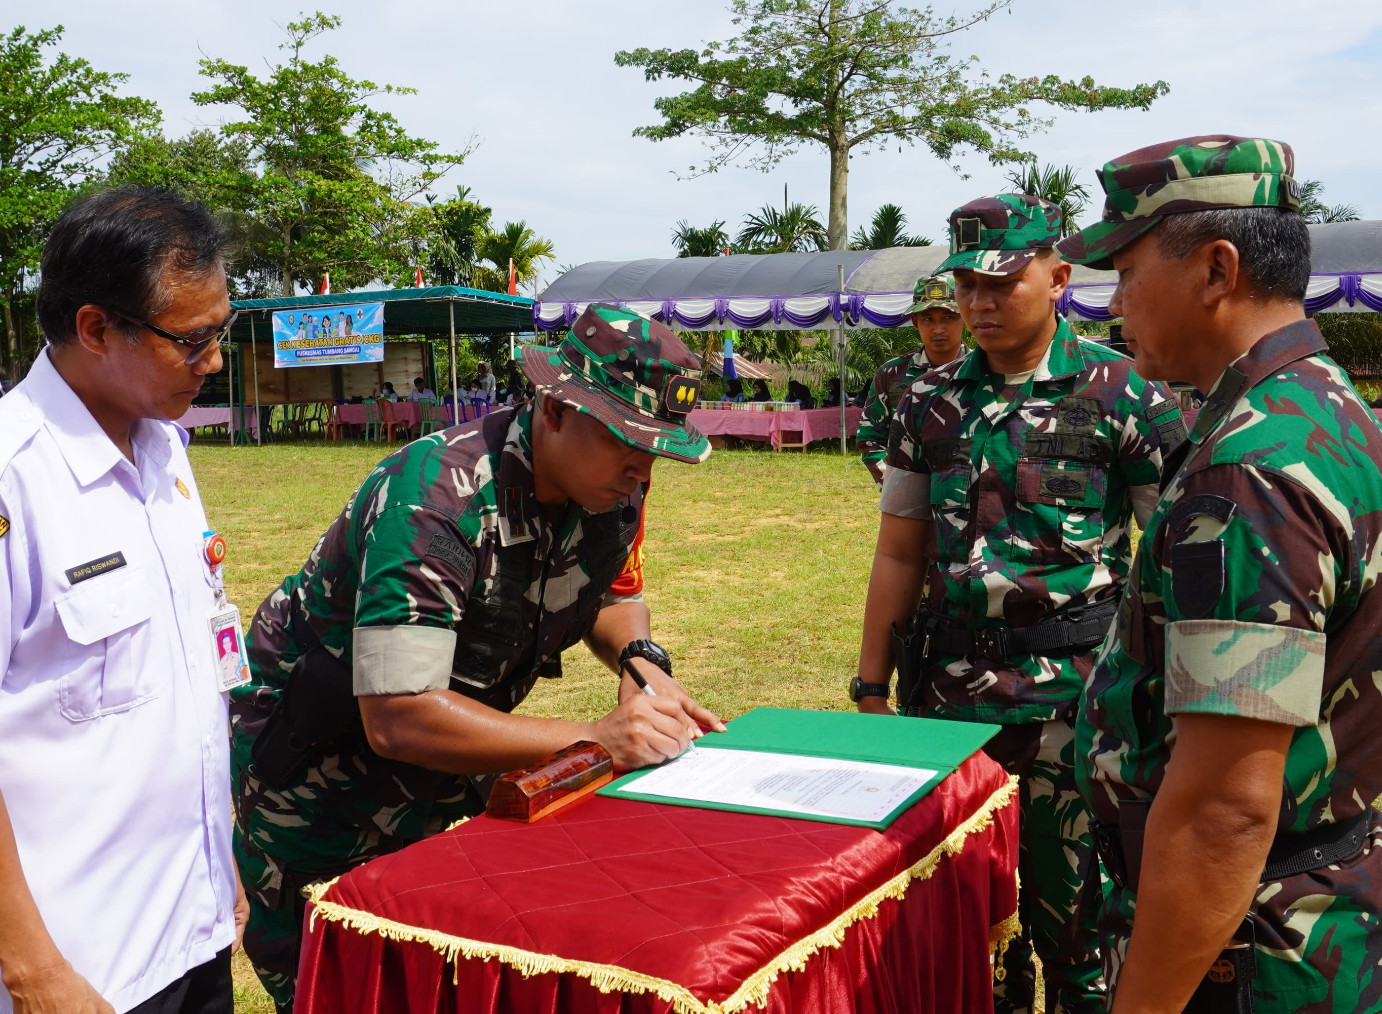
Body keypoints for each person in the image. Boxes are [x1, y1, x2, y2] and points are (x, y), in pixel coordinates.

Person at [229, 303, 726, 1011]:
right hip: (318, 791)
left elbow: (609, 592)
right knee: (342, 990)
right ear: (555, 410)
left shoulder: (610, 489)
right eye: (625, 439)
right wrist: (598, 740)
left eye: (656, 450)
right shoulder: (434, 498)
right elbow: (398, 716)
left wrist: (642, 665)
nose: (642, 469)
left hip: (447, 777)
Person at [1057, 135, 1382, 1013]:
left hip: (1248, 949)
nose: (1113, 304)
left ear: (1216, 269)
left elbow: (1223, 810)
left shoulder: (1246, 471)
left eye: (1127, 273)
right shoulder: (1327, 406)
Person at [853, 193, 1185, 1014]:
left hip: (1079, 707)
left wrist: (1171, 702)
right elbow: (899, 550)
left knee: (1081, 942)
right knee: (963, 935)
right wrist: (869, 686)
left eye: (1002, 282)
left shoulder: (1124, 393)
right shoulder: (926, 401)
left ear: (1059, 278)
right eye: (967, 284)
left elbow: (1172, 560)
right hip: (948, 706)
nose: (979, 303)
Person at [0, 186, 246, 1013]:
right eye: (193, 340)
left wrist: (217, 860)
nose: (215, 361)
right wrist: (32, 971)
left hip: (191, 931)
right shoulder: (15, 478)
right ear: (97, 329)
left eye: (222, 331)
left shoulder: (164, 450)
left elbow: (182, 680)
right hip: (79, 965)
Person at [856, 275, 967, 485]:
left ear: (965, 318)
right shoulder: (891, 374)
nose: (938, 329)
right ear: (915, 322)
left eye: (948, 317)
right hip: (906, 489)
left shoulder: (985, 370)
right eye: (928, 319)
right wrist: (896, 487)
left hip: (966, 490)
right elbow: (870, 439)